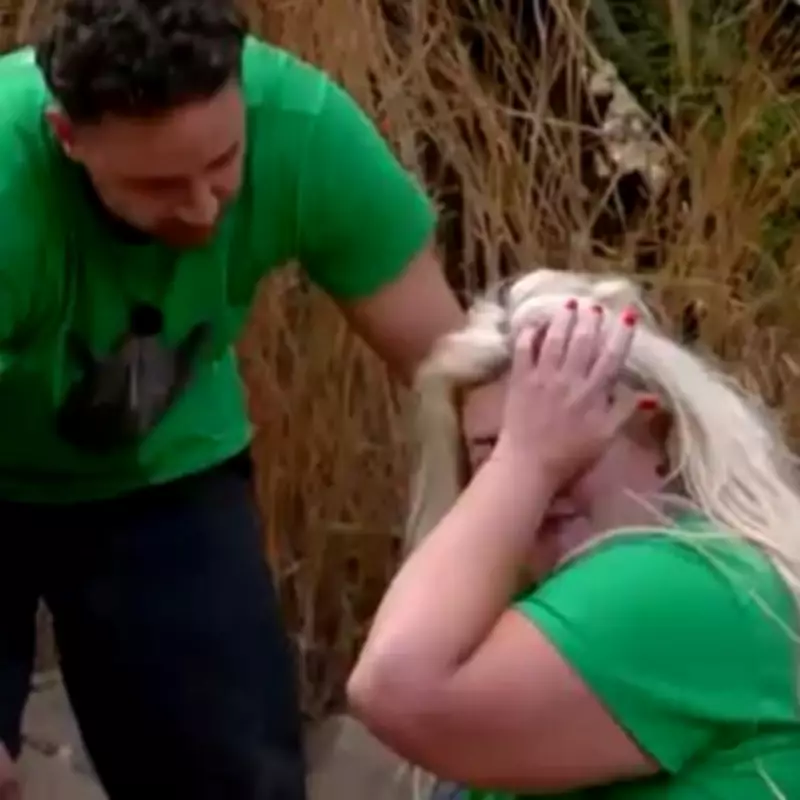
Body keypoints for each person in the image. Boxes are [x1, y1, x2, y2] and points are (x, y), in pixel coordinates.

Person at [0, 1, 464, 798]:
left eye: (222, 161)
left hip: (162, 464)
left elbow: (454, 374)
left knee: (233, 777)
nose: (203, 209)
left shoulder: (303, 129)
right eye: (156, 185)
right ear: (67, 136)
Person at [347, 268, 800, 799]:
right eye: (489, 456)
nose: (541, 486)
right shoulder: (520, 626)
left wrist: (527, 458)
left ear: (657, 437)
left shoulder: (689, 580)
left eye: (566, 439)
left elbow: (395, 687)